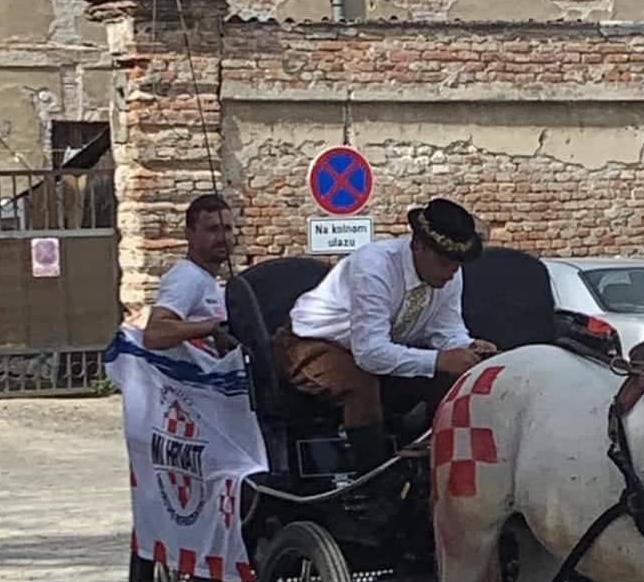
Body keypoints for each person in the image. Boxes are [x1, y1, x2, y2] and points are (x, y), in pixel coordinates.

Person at [274, 198, 496, 474]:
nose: (451, 272)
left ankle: (436, 467)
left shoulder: (449, 275)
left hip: (374, 347)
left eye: (456, 265)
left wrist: (466, 348)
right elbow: (370, 353)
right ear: (418, 246)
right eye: (443, 262)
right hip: (308, 343)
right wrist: (439, 360)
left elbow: (446, 329)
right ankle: (374, 483)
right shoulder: (374, 265)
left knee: (456, 378)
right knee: (360, 384)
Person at [143, 194, 235, 353]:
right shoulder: (187, 276)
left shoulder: (208, 281)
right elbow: (154, 333)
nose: (222, 238)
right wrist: (213, 327)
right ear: (189, 234)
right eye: (212, 229)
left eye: (227, 229)